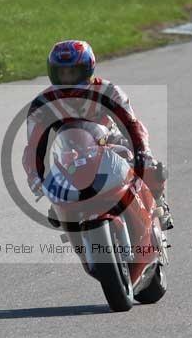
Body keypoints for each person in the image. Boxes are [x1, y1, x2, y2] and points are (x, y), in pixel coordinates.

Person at [22, 39, 173, 230]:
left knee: (151, 168)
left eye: (73, 72)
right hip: (70, 155)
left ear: (87, 69)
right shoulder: (42, 104)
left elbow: (131, 124)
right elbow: (34, 147)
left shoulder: (108, 91)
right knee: (57, 207)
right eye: (62, 73)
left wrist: (142, 151)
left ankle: (159, 204)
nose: (67, 79)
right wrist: (35, 176)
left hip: (110, 142)